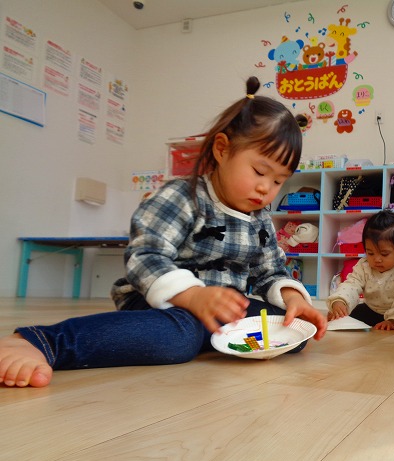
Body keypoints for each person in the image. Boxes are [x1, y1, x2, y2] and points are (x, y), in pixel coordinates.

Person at [0, 76, 327, 388]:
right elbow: (145, 257)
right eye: (259, 171)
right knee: (180, 338)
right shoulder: (182, 197)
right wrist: (194, 296)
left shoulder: (260, 218)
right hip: (158, 300)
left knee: (290, 330)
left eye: (278, 181)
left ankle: (209, 336)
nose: (266, 188)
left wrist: (294, 299)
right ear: (222, 150)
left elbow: (271, 271)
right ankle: (43, 341)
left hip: (221, 309)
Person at [326, 210, 394, 333]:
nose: (377, 259)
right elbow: (351, 284)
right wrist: (340, 301)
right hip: (374, 311)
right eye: (370, 253)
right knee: (356, 311)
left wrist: (393, 320)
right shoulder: (364, 265)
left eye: (384, 254)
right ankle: (339, 316)